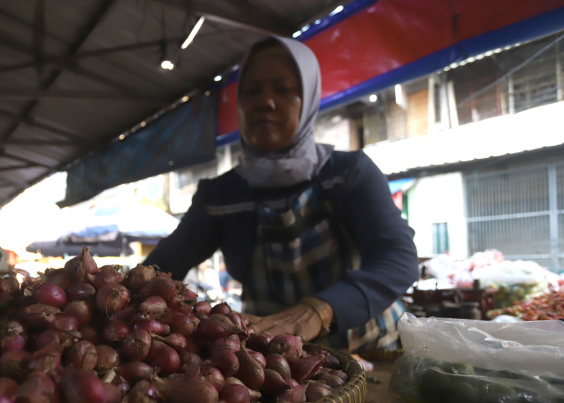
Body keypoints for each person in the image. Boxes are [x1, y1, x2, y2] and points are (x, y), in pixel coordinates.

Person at [144, 36, 419, 352]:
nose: (266, 102)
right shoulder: (220, 196)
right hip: (277, 364)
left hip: (369, 351)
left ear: (309, 101)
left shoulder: (348, 173)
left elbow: (398, 258)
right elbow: (163, 266)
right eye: (252, 91)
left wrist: (319, 310)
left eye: (284, 89)